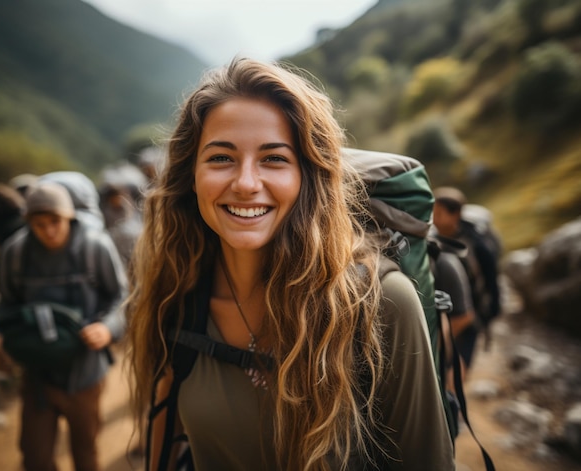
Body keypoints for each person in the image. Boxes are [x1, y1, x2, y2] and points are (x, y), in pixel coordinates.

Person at [127, 57, 455, 471]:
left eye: (275, 159)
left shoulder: (381, 303)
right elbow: (165, 427)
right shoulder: (178, 291)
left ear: (309, 176)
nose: (246, 183)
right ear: (191, 176)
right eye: (221, 158)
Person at [0, 181, 128, 471]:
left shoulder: (94, 247)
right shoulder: (16, 253)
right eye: (40, 224)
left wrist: (107, 328)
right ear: (29, 223)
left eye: (55, 221)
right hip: (37, 372)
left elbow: (121, 297)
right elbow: (7, 301)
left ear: (69, 217)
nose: (49, 231)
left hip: (85, 373)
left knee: (85, 452)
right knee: (35, 456)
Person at [432, 186, 501, 369]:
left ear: (455, 215)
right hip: (447, 311)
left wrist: (489, 315)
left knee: (458, 367)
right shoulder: (435, 238)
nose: (433, 218)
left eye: (438, 213)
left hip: (471, 313)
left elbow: (492, 281)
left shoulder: (477, 246)